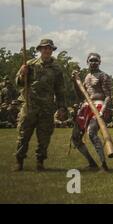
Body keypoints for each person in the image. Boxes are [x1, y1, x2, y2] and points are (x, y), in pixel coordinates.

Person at [14, 39, 66, 171]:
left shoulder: (57, 69)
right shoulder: (30, 64)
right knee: (23, 134)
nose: (47, 50)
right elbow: (19, 83)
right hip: (30, 106)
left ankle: (40, 162)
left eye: (49, 48)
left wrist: (61, 107)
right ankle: (19, 161)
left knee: (44, 137)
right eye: (44, 48)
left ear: (52, 50)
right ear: (40, 49)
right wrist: (22, 74)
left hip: (47, 108)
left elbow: (60, 89)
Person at [71, 52, 112, 171]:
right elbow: (80, 95)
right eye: (91, 60)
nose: (93, 62)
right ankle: (91, 163)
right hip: (86, 107)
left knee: (91, 132)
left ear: (100, 62)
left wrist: (103, 110)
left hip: (99, 106)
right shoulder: (86, 77)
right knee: (75, 137)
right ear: (87, 62)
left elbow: (108, 96)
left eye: (96, 60)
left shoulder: (103, 76)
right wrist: (75, 81)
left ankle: (103, 164)